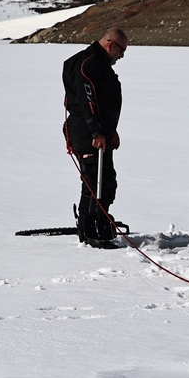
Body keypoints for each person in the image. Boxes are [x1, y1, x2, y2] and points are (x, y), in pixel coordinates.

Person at [63, 27, 128, 248]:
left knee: (104, 180)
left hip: (97, 131)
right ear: (111, 44)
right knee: (95, 181)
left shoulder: (95, 63)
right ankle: (90, 230)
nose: (121, 56)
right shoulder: (89, 63)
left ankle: (98, 222)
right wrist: (96, 132)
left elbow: (102, 102)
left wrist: (110, 130)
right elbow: (86, 100)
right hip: (87, 132)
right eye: (121, 51)